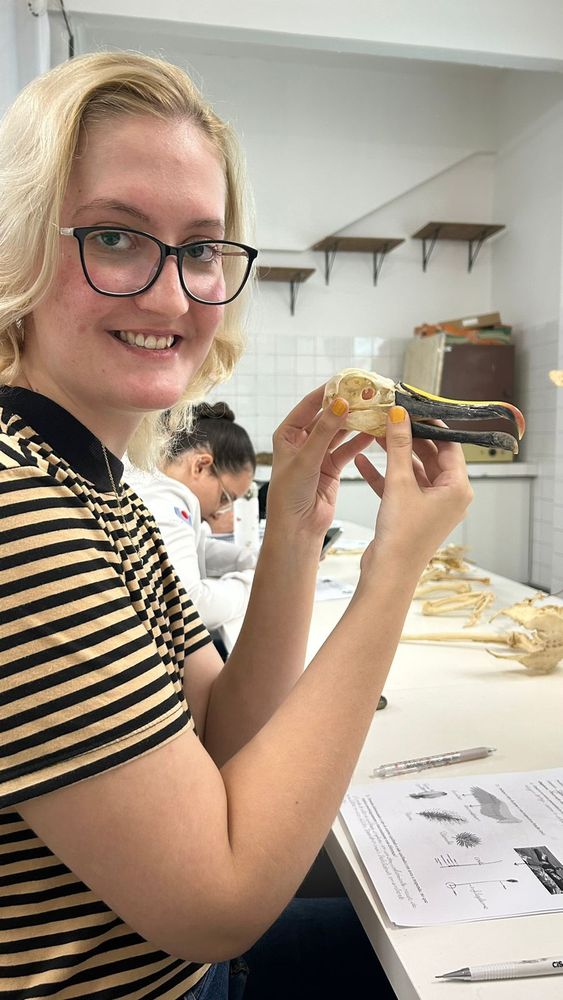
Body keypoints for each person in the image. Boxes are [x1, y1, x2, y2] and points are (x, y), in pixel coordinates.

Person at [0, 50, 472, 1000]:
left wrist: (293, 522)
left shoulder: (103, 489)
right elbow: (218, 904)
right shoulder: (20, 514)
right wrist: (394, 571)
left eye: (201, 248)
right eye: (116, 237)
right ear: (19, 248)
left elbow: (222, 735)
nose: (172, 297)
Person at [126, 402, 258, 643]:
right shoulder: (164, 500)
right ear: (200, 466)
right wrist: (254, 586)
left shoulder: (151, 484)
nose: (218, 513)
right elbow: (189, 605)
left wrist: (246, 559)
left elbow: (192, 548)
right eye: (224, 498)